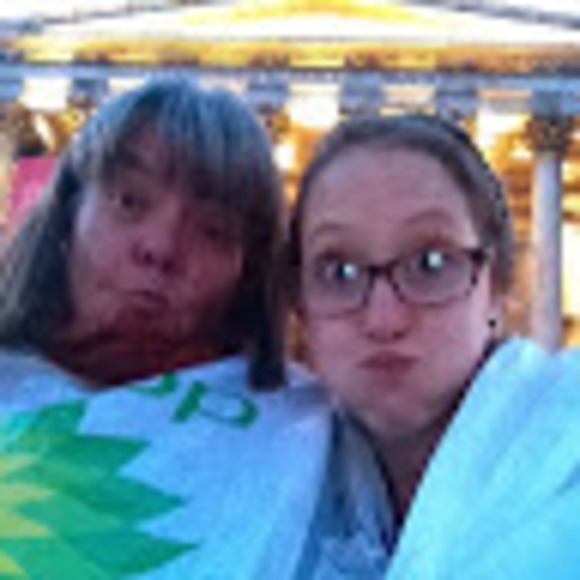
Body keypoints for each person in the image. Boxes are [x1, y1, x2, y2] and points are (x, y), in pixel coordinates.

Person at [0, 76, 350, 579]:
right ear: (68, 208)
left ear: (248, 276)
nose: (161, 247)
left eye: (213, 229)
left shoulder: (305, 438)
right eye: (129, 201)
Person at [287, 113, 580, 579]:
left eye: (431, 263)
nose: (383, 320)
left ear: (497, 285)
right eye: (340, 271)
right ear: (299, 304)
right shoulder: (266, 489)